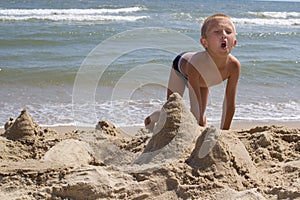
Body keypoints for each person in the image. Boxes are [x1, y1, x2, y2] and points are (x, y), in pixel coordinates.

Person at [145, 14, 241, 130]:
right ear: (204, 43)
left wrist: (224, 133)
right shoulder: (196, 64)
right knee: (172, 112)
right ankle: (151, 119)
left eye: (228, 32)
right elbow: (194, 105)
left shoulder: (233, 66)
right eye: (217, 32)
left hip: (204, 80)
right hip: (181, 70)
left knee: (202, 119)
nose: (224, 35)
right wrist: (197, 127)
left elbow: (229, 104)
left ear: (234, 42)